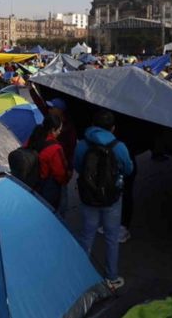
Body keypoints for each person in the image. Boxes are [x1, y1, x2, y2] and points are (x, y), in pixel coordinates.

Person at [74, 110, 133, 290]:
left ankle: (80, 276)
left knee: (86, 235)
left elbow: (77, 166)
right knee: (111, 237)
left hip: (88, 196)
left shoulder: (83, 144)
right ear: (113, 128)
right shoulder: (119, 146)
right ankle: (111, 277)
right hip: (112, 198)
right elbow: (129, 169)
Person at [28, 113, 70, 211]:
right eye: (59, 130)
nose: (60, 132)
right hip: (46, 189)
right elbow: (60, 174)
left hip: (31, 185)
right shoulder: (55, 148)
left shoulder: (34, 138)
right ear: (52, 130)